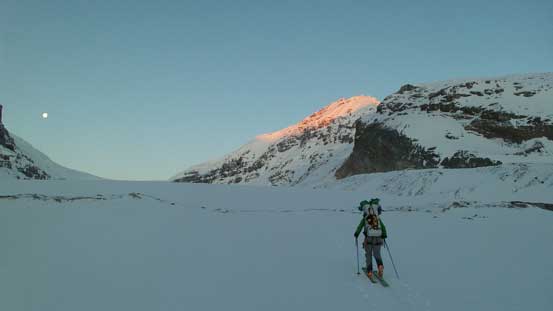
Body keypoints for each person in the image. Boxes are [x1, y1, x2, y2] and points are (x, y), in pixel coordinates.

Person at [354, 198, 387, 278]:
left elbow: (360, 227)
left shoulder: (365, 218)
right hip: (378, 237)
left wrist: (356, 234)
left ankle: (369, 271)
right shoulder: (377, 218)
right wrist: (384, 235)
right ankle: (380, 266)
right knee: (377, 254)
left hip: (368, 238)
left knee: (368, 254)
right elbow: (383, 227)